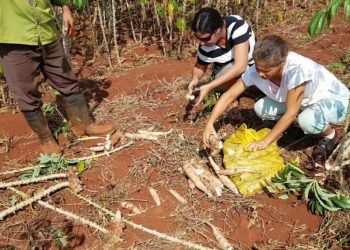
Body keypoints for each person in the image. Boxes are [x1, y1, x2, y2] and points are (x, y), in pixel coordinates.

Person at [203, 35, 350, 164]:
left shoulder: (296, 72)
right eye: (259, 68)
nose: (261, 74)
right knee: (260, 108)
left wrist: (265, 141)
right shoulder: (257, 70)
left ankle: (330, 136)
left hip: (333, 101)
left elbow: (291, 112)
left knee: (308, 121)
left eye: (267, 71)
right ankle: (299, 124)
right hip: (302, 102)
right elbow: (229, 95)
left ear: (282, 62)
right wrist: (210, 123)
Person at [0, 0, 115, 155]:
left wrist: (66, 7)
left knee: (66, 79)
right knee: (25, 91)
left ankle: (85, 125)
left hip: (47, 33)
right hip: (14, 39)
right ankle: (46, 139)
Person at [188, 7, 256, 106]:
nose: (202, 43)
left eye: (206, 38)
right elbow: (200, 66)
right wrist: (195, 79)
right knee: (227, 70)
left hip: (255, 68)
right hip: (232, 78)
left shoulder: (236, 25)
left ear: (218, 29)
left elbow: (241, 66)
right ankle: (233, 99)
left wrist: (209, 86)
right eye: (198, 38)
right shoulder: (205, 47)